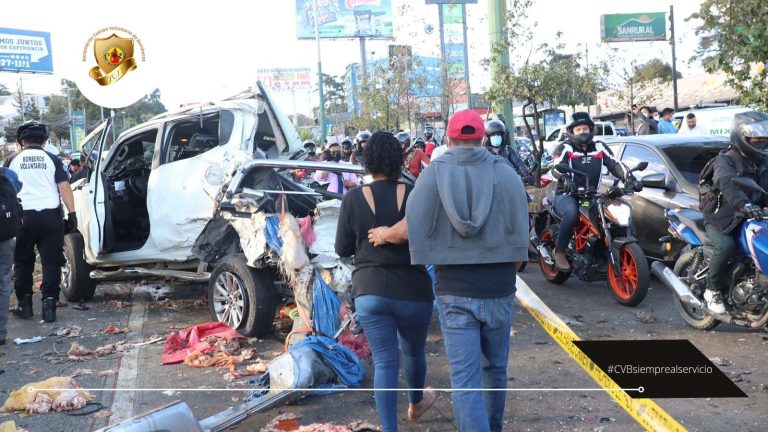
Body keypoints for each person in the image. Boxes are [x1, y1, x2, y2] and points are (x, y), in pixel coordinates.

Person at [375, 109, 528, 432]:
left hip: (454, 289)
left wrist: (388, 237)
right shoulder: (506, 174)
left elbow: (412, 227)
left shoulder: (433, 175)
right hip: (500, 287)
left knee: (465, 378)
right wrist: (506, 272)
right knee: (496, 370)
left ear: (449, 137)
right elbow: (521, 236)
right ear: (482, 138)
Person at [335, 131, 435, 432]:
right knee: (415, 352)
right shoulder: (414, 192)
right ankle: (416, 403)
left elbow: (342, 249)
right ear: (399, 158)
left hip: (370, 290)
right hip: (414, 290)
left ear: (367, 161)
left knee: (385, 362)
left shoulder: (352, 199)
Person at [4, 121, 77, 322]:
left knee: (23, 262)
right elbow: (64, 187)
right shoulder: (52, 158)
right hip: (50, 218)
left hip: (22, 218)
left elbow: (5, 191)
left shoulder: (12, 159)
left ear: (22, 142)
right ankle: (49, 306)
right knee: (51, 261)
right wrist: (72, 214)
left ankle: (25, 305)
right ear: (45, 141)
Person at [549, 112, 638, 271]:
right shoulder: (565, 147)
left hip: (591, 195)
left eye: (585, 128)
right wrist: (566, 180)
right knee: (572, 213)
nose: (582, 132)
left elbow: (614, 164)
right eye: (578, 129)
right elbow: (555, 168)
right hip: (566, 195)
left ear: (591, 130)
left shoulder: (599, 146)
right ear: (572, 131)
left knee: (612, 216)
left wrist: (630, 179)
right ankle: (560, 251)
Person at [701, 111, 768, 313]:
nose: (761, 142)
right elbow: (728, 185)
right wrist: (745, 205)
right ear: (742, 138)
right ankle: (712, 291)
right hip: (724, 217)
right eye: (756, 138)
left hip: (754, 216)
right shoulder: (726, 161)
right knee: (725, 245)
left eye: (765, 138)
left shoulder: (763, 161)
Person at [0, 166, 21, 345]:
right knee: (3, 283)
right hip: (4, 238)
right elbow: (18, 189)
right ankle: (0, 332)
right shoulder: (6, 174)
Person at [484, 119, 535, 186]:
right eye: (493, 135)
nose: (496, 137)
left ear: (503, 136)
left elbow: (519, 163)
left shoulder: (508, 150)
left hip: (512, 183)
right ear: (488, 137)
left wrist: (527, 175)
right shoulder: (484, 153)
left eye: (498, 135)